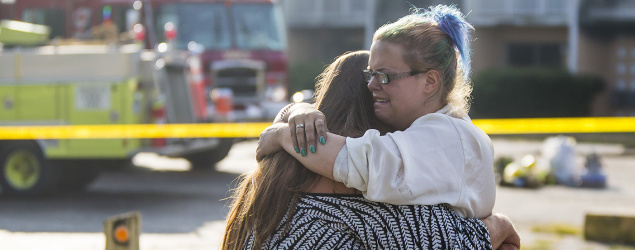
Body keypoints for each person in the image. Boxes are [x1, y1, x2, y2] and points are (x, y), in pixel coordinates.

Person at [225, 51, 520, 249]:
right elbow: (464, 243)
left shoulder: (263, 181)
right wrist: (502, 223)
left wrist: (291, 114)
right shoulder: (376, 196)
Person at [257, 4, 495, 220]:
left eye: (384, 76)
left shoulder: (447, 136)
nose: (371, 85)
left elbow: (359, 162)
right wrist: (297, 109)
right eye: (370, 74)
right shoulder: (447, 130)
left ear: (430, 81)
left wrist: (281, 135)